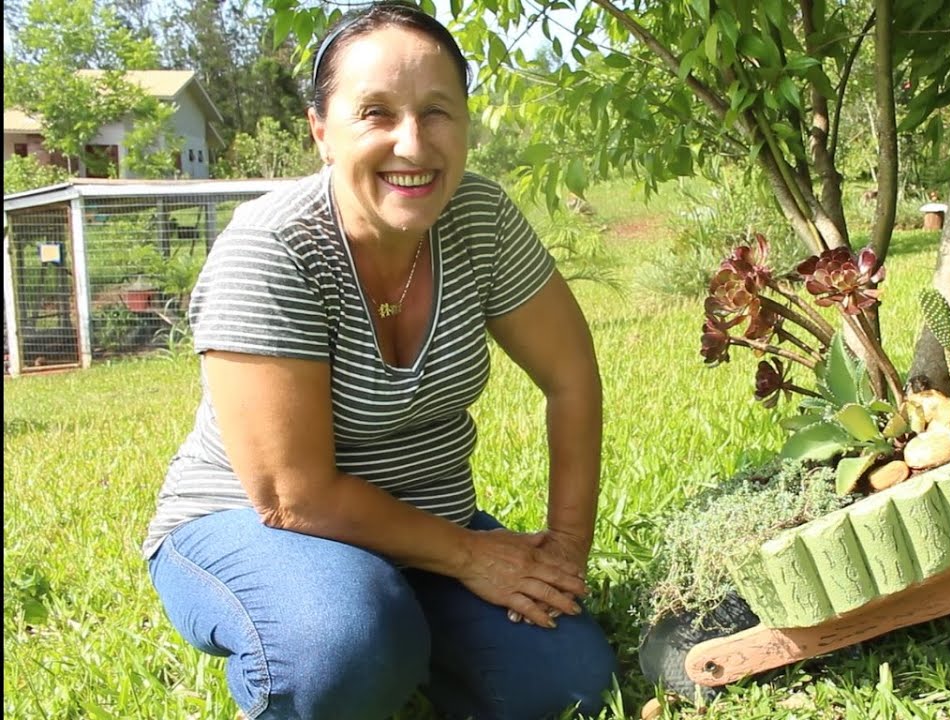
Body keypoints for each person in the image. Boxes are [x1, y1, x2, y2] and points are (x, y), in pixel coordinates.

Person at [141, 3, 618, 718]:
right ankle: (327, 661)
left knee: (566, 682)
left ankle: (404, 643)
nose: (412, 143)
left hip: (428, 527)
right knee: (343, 640)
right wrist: (469, 557)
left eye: (437, 112)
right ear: (321, 131)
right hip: (250, 524)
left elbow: (571, 377)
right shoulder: (271, 249)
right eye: (375, 113)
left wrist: (563, 555)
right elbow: (290, 496)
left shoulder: (479, 218)